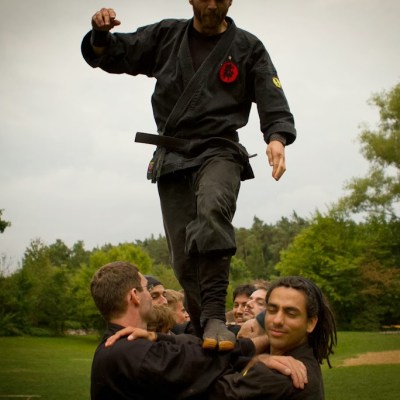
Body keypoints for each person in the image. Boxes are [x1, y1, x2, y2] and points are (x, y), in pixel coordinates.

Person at [82, 0, 296, 351]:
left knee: (212, 209)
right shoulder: (166, 36)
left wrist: (277, 137)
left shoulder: (248, 47)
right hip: (173, 156)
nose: (211, 4)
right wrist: (100, 34)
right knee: (183, 258)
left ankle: (213, 315)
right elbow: (115, 53)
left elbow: (272, 96)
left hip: (219, 149)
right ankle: (203, 328)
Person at [90, 261, 308, 400]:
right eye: (147, 289)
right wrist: (258, 359)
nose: (154, 297)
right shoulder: (138, 354)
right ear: (135, 296)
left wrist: (156, 336)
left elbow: (188, 344)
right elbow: (202, 357)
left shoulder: (119, 347)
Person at [208, 276, 338, 399]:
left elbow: (206, 392)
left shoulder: (280, 374)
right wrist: (257, 360)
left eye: (291, 313)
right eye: (272, 310)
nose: (277, 320)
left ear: (310, 323)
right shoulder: (305, 359)